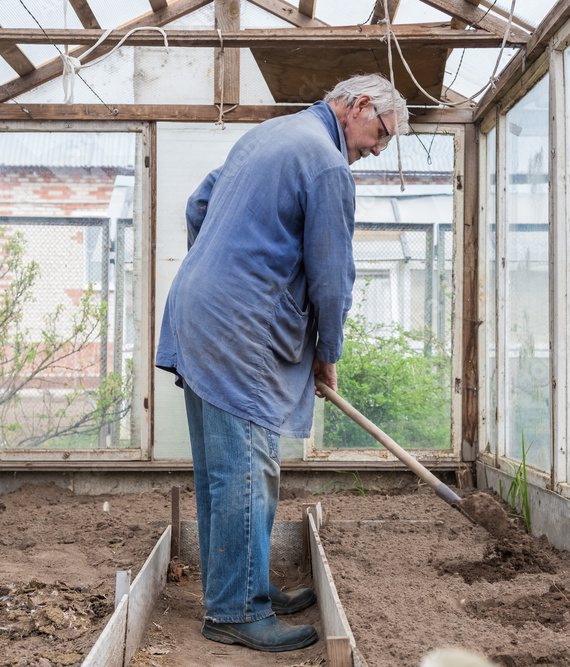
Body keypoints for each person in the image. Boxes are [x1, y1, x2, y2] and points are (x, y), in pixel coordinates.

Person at [154, 73, 409, 652]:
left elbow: (199, 203)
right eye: (381, 134)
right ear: (360, 105)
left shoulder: (270, 135)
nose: (376, 149)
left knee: (223, 468)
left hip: (197, 309)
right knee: (248, 467)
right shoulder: (325, 164)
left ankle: (245, 583)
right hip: (238, 326)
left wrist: (222, 264)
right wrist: (327, 354)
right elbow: (331, 278)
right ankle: (238, 610)